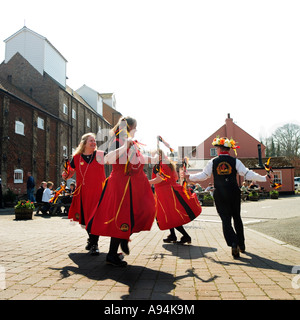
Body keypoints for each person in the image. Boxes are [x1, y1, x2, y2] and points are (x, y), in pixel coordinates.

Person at [185, 136, 272, 259]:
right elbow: (247, 174)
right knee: (237, 218)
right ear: (229, 149)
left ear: (219, 148)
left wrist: (190, 177)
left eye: (217, 148)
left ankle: (233, 242)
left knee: (225, 220)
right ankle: (241, 244)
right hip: (233, 192)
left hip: (220, 193)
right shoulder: (235, 161)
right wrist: (263, 178)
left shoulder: (213, 162)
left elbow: (204, 175)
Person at [87, 116, 156, 267]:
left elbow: (138, 159)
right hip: (121, 184)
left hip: (133, 184)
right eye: (135, 127)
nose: (136, 130)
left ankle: (122, 240)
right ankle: (112, 254)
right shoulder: (117, 142)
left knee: (144, 210)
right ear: (129, 127)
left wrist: (156, 159)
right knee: (122, 216)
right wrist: (125, 147)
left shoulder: (131, 144)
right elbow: (108, 159)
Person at [62, 133, 106, 256]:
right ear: (84, 143)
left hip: (98, 192)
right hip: (83, 193)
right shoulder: (76, 158)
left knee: (95, 218)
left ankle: (94, 244)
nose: (94, 143)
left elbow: (114, 158)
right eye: (91, 141)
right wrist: (65, 175)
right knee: (86, 219)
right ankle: (91, 240)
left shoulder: (100, 155)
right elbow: (69, 173)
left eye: (94, 141)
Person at [149, 153, 202, 244]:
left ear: (160, 156)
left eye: (154, 155)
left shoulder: (161, 165)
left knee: (171, 215)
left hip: (166, 193)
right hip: (169, 191)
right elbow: (175, 177)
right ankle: (172, 235)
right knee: (170, 214)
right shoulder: (167, 164)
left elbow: (160, 179)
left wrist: (146, 182)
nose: (152, 157)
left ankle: (186, 236)